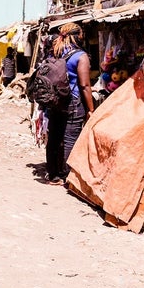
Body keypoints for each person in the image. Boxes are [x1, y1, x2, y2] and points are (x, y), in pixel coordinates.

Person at [44, 23, 95, 185]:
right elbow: (85, 85)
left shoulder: (55, 52)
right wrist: (91, 109)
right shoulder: (81, 56)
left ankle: (52, 175)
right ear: (77, 36)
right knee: (70, 139)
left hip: (54, 100)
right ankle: (67, 177)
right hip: (72, 101)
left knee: (53, 138)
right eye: (81, 34)